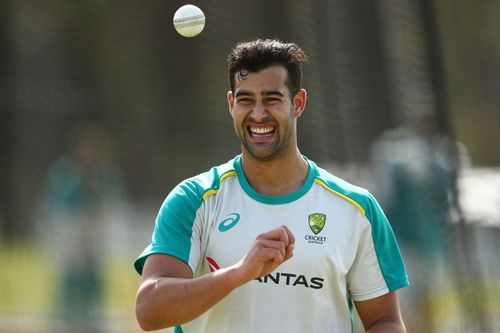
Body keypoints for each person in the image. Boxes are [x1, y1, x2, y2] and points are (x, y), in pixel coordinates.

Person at [134, 39, 409, 333]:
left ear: (298, 103)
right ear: (231, 104)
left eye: (272, 99)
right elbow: (150, 311)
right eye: (246, 100)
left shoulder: (357, 209)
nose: (258, 114)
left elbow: (384, 320)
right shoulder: (193, 199)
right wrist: (240, 273)